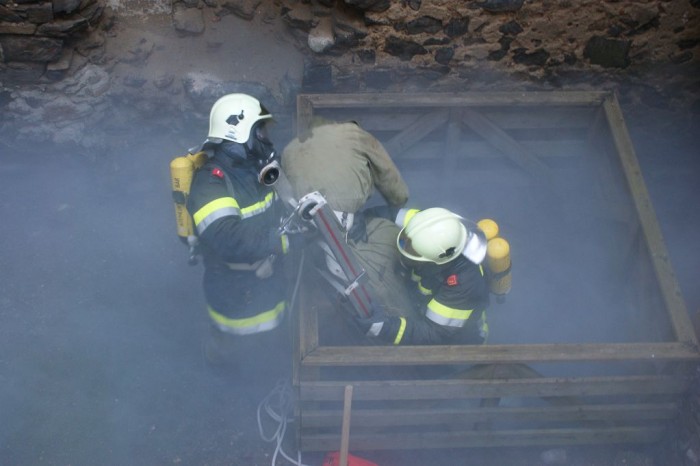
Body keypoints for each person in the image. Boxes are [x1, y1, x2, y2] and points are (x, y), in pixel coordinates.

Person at [186, 93, 296, 367]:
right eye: (259, 131)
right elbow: (228, 240)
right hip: (235, 294)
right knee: (235, 359)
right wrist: (283, 242)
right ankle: (221, 373)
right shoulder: (210, 183)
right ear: (239, 132)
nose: (265, 138)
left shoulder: (254, 168)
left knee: (269, 350)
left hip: (267, 283)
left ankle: (264, 370)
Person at [281, 117, 418, 323]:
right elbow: (396, 189)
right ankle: (406, 318)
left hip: (308, 233)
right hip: (340, 232)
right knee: (385, 266)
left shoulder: (289, 149)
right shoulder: (355, 134)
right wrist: (395, 202)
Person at [358, 207, 491, 346]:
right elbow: (391, 213)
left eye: (413, 256)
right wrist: (362, 219)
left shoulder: (464, 284)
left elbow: (433, 333)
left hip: (461, 341)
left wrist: (384, 328)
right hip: (423, 302)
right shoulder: (426, 225)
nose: (403, 254)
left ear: (437, 263)